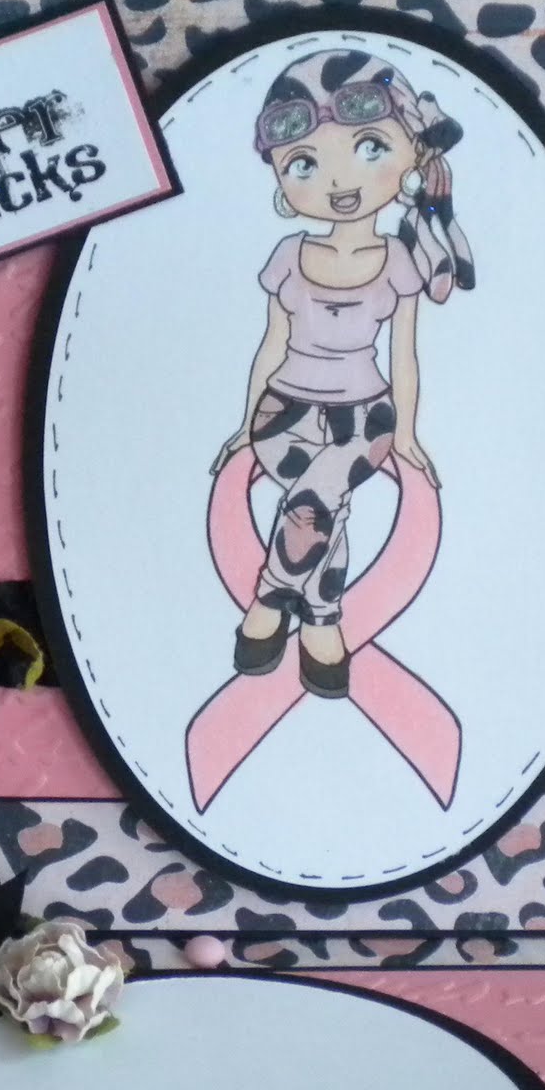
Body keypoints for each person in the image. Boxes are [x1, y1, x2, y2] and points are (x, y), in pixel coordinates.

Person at [213, 50, 472, 699]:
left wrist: (405, 434)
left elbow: (405, 355)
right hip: (283, 412)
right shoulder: (289, 255)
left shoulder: (401, 260)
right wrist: (246, 425)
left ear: (411, 154)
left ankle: (270, 601)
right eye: (304, 163)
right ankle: (322, 620)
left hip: (365, 417)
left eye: (370, 148)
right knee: (327, 510)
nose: (339, 180)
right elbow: (271, 344)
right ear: (281, 179)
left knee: (312, 505)